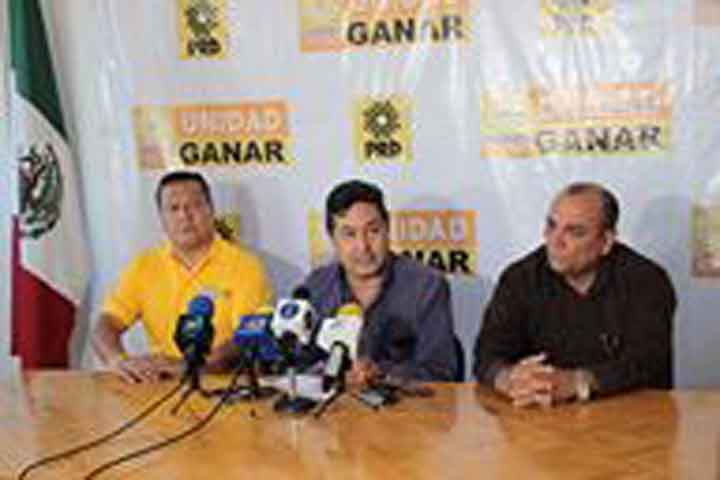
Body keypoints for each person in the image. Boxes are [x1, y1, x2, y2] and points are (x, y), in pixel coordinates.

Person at [473, 182, 676, 407]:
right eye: (552, 226)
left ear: (606, 241)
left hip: (629, 414)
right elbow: (487, 355)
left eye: (575, 232)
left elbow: (647, 362)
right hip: (542, 416)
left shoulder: (647, 280)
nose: (555, 241)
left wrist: (579, 383)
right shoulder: (520, 278)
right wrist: (508, 379)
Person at [92, 171, 273, 383]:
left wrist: (183, 367)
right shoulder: (144, 266)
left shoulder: (245, 267)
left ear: (211, 210)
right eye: (173, 208)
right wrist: (118, 360)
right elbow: (107, 322)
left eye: (194, 206)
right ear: (161, 218)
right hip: (159, 385)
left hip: (222, 386)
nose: (184, 216)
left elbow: (243, 344)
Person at [303, 179, 459, 385]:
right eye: (349, 234)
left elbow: (441, 371)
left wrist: (381, 373)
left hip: (405, 404)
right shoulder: (316, 287)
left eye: (373, 231)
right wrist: (329, 373)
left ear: (388, 229)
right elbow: (301, 364)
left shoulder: (426, 286)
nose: (363, 246)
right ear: (332, 238)